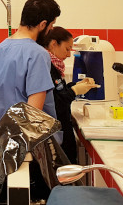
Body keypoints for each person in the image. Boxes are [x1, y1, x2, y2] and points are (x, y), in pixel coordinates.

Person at [0, 0, 61, 132]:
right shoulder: (38, 54)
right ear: (43, 24)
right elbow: (33, 112)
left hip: (4, 141)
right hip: (30, 145)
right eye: (51, 25)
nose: (51, 30)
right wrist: (24, 150)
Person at [42, 27, 98, 164]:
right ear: (54, 44)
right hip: (56, 131)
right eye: (67, 49)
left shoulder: (54, 66)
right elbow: (55, 102)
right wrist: (75, 91)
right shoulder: (45, 66)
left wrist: (75, 85)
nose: (68, 55)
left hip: (63, 128)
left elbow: (59, 90)